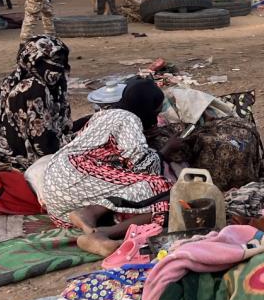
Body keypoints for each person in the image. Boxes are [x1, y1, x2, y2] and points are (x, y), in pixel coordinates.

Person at [38, 77, 173, 243]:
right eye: (156, 111)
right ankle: (96, 221)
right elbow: (143, 165)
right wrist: (167, 150)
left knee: (142, 202)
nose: (156, 117)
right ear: (146, 107)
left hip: (58, 197)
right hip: (76, 172)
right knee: (162, 188)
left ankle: (98, 231)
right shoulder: (128, 119)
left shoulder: (103, 116)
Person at [0, 35, 72, 169]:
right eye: (54, 60)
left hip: (7, 149)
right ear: (34, 61)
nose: (59, 66)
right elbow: (43, 147)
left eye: (61, 60)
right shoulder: (35, 88)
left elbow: (61, 126)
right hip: (23, 159)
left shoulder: (13, 79)